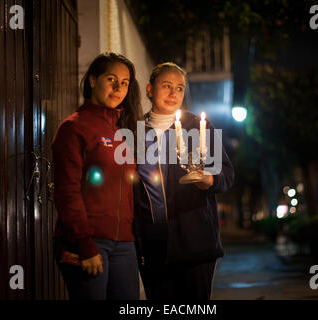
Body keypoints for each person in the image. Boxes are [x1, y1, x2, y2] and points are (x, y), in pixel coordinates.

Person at [134, 62, 234, 300]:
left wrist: (210, 180)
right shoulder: (135, 130)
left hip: (195, 240)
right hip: (153, 241)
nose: (173, 93)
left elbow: (227, 174)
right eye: (166, 86)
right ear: (149, 89)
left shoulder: (198, 126)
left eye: (179, 88)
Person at [51, 52, 143, 300]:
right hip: (88, 241)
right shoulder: (74, 127)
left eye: (124, 82)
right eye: (111, 79)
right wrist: (84, 244)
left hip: (124, 244)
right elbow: (66, 191)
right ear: (93, 80)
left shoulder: (124, 131)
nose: (118, 87)